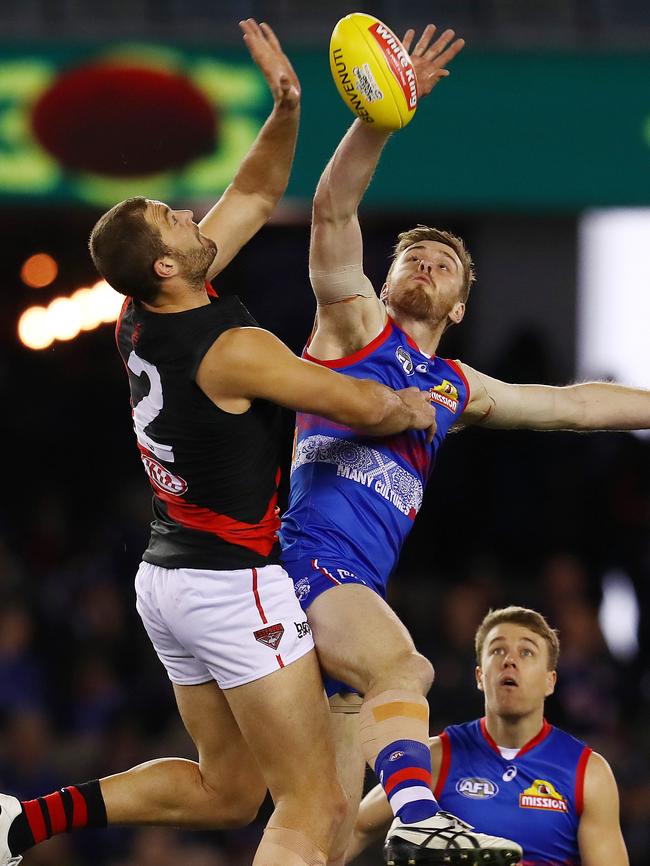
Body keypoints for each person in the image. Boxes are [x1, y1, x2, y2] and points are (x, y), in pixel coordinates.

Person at [0, 20, 439, 866]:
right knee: (313, 807)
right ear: (168, 266)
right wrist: (412, 406)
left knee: (228, 791)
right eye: (174, 220)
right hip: (234, 589)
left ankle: (20, 824)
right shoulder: (231, 351)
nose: (193, 216)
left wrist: (287, 105)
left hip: (166, 582)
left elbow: (252, 191)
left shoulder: (142, 312)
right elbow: (352, 400)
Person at [279, 21, 650, 866]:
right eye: (413, 252)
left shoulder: (456, 388)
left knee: (323, 829)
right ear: (384, 278)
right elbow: (335, 209)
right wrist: (381, 114)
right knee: (406, 672)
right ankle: (420, 817)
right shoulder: (351, 327)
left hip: (352, 598)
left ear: (456, 310)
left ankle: (27, 822)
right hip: (306, 565)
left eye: (444, 262)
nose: (425, 263)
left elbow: (574, 406)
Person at [348, 606, 630, 866]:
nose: (509, 661)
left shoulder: (588, 773)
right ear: (480, 676)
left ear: (550, 681)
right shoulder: (435, 757)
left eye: (526, 652)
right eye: (497, 651)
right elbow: (356, 830)